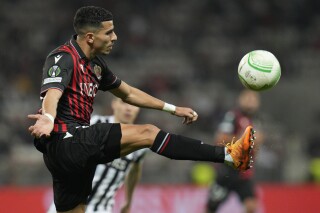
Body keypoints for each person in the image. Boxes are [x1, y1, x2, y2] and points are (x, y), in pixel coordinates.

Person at [27, 6, 255, 213]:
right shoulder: (63, 57)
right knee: (147, 133)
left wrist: (172, 109)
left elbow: (128, 93)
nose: (114, 37)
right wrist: (48, 117)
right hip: (69, 139)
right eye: (109, 32)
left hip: (71, 154)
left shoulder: (96, 65)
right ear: (89, 37)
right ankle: (228, 155)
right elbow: (53, 92)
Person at [47, 97, 146, 213]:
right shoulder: (95, 123)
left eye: (133, 104)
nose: (128, 108)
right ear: (114, 104)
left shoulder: (139, 142)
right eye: (124, 103)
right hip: (69, 203)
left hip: (100, 208)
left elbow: (135, 170)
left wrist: (128, 201)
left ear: (138, 109)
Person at [206, 90, 263, 213]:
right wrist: (243, 139)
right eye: (247, 98)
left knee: (251, 206)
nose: (250, 102)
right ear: (240, 100)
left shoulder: (256, 120)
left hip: (243, 173)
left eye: (253, 99)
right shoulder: (233, 116)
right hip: (227, 171)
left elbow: (256, 143)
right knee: (212, 207)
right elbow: (220, 139)